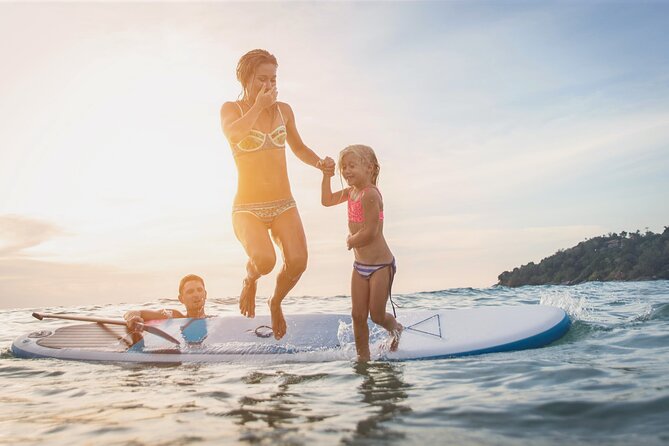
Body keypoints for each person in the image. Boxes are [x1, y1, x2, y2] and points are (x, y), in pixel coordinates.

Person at [219, 49, 335, 340]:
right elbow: (234, 135)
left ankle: (275, 302)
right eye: (261, 79)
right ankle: (250, 279)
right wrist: (258, 106)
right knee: (265, 261)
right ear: (246, 79)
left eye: (273, 79)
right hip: (247, 207)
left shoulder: (284, 110)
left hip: (283, 203)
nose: (268, 85)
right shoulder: (231, 109)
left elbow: (298, 148)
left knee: (298, 262)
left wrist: (319, 162)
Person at [321, 144, 402, 361]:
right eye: (343, 167)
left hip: (381, 265)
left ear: (369, 168)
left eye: (352, 166)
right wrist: (326, 175)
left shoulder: (370, 195)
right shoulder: (351, 193)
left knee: (376, 315)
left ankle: (396, 328)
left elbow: (371, 232)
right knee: (357, 315)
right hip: (360, 266)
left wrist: (351, 240)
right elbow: (326, 200)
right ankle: (363, 357)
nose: (346, 171)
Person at [124, 274, 207, 332]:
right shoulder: (174, 316)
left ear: (205, 294)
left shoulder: (215, 321)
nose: (196, 295)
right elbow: (134, 312)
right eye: (190, 292)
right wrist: (133, 318)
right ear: (181, 299)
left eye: (199, 290)